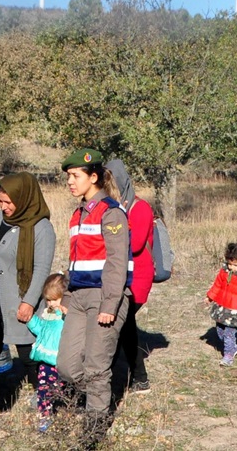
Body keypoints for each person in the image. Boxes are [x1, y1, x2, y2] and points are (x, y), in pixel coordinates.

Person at [57, 148, 131, 442]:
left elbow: (116, 261)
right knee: (67, 365)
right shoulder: (77, 214)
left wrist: (111, 304)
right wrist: (64, 297)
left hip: (104, 296)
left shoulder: (111, 211)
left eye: (75, 176)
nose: (70, 182)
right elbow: (73, 260)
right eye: (68, 177)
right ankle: (99, 400)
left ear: (94, 177)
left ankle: (95, 430)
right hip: (77, 296)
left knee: (96, 367)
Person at [0, 172, 56, 408]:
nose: (4, 207)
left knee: (29, 354)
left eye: (9, 202)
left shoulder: (42, 228)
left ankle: (44, 395)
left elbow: (42, 268)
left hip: (20, 299)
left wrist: (29, 301)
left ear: (24, 198)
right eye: (0, 201)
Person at [105, 159, 154, 394]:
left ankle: (103, 377)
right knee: (125, 328)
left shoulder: (140, 207)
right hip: (119, 276)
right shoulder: (110, 206)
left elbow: (134, 245)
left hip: (138, 279)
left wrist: (118, 217)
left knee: (116, 325)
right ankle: (138, 378)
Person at [27, 273, 68, 433]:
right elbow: (41, 330)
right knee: (44, 387)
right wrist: (31, 321)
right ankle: (45, 414)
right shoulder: (49, 312)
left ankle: (66, 405)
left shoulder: (67, 315)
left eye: (54, 299)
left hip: (61, 358)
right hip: (46, 360)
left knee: (61, 386)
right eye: (48, 300)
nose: (51, 303)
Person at [205, 243, 237, 366]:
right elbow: (217, 285)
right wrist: (210, 296)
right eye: (230, 264)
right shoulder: (224, 272)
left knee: (229, 333)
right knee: (220, 331)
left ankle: (228, 355)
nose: (232, 267)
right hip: (222, 308)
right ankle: (233, 347)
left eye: (236, 265)